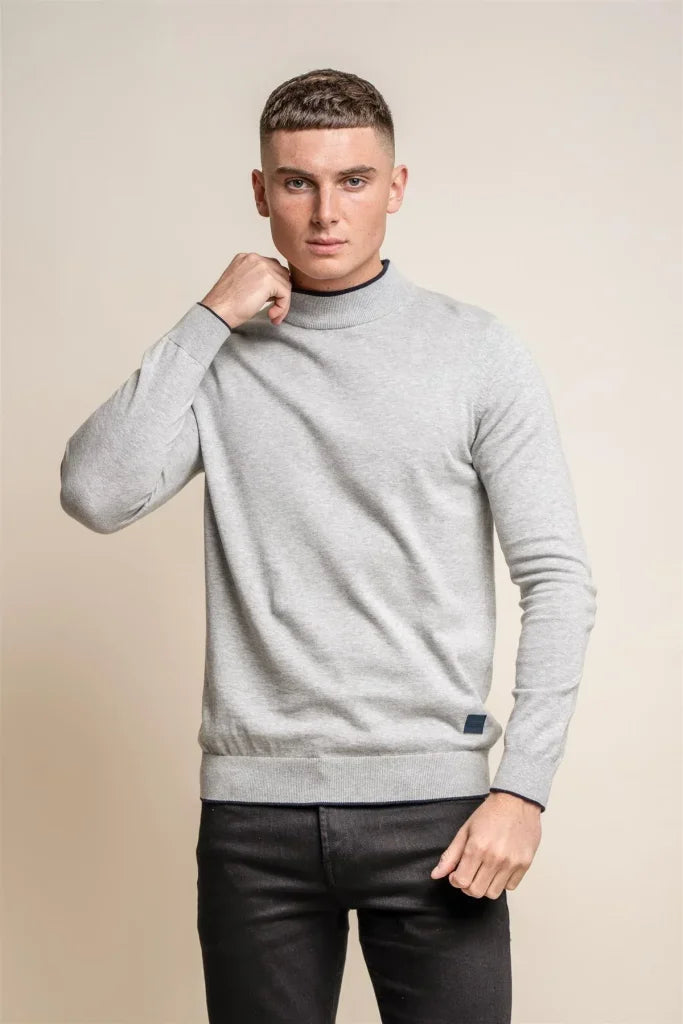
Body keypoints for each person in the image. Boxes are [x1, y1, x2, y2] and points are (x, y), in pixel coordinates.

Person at [59, 67, 597, 1024]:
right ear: (260, 192)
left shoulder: (476, 352)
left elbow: (556, 578)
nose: (324, 213)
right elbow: (95, 494)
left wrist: (524, 789)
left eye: (353, 180)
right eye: (297, 182)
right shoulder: (220, 357)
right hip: (253, 821)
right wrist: (205, 319)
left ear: (396, 187)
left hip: (437, 817)